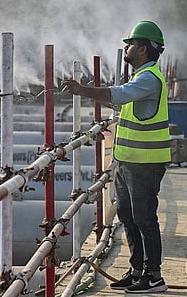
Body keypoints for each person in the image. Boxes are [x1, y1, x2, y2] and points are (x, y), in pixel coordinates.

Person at [62, 20, 170, 294]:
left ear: (143, 49)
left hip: (145, 162)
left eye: (131, 44)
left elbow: (118, 96)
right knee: (126, 214)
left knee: (144, 217)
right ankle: (137, 271)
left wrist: (81, 90)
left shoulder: (148, 78)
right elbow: (118, 99)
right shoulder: (141, 76)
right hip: (129, 160)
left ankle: (154, 276)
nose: (127, 48)